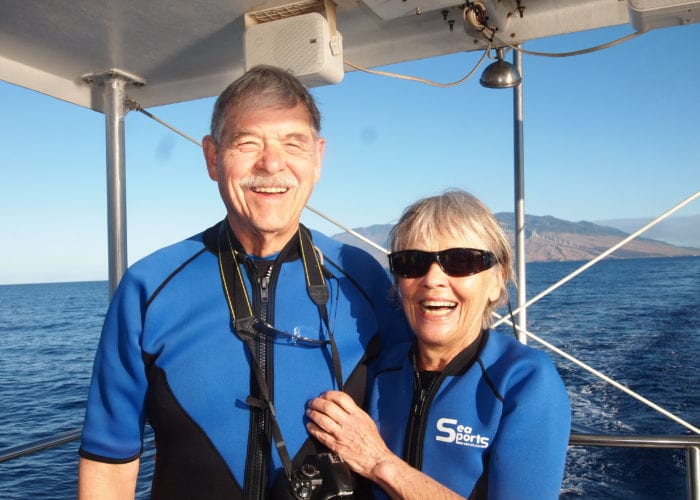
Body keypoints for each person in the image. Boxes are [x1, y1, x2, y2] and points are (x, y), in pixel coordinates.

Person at [77, 65, 409, 499]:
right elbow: (108, 461)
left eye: (294, 143)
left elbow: (415, 424)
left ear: (318, 157)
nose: (272, 163)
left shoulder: (363, 278)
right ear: (213, 157)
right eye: (247, 142)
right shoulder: (149, 288)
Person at [306, 189, 571, 499]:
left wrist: (380, 462)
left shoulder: (523, 380)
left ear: (496, 280)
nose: (433, 279)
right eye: (412, 262)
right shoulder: (381, 371)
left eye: (460, 261)